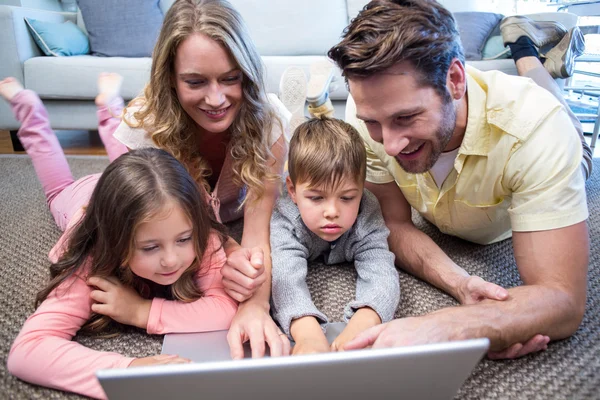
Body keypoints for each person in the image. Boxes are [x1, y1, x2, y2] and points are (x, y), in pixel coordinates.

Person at [324, 0, 589, 359]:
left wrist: (455, 326)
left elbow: (562, 298)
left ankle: (525, 50)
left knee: (565, 119)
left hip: (562, 141)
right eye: (374, 122)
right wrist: (461, 284)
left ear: (455, 80)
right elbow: (392, 224)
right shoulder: (367, 120)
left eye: (405, 118)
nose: (388, 145)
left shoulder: (537, 130)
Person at [1, 78, 237, 399]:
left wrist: (140, 311)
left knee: (129, 162)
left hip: (136, 195)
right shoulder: (91, 257)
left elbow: (225, 308)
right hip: (82, 201)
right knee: (57, 188)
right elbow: (27, 352)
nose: (171, 260)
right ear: (115, 243)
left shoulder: (198, 234)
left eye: (183, 240)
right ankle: (29, 108)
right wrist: (128, 369)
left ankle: (110, 108)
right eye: (150, 247)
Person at [110, 0, 291, 358]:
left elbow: (257, 231)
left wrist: (254, 306)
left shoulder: (268, 123)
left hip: (231, 226)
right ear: (171, 81)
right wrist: (226, 248)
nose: (216, 98)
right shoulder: (138, 129)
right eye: (195, 81)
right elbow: (137, 232)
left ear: (247, 74)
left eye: (230, 78)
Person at [270, 117, 400, 354]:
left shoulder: (366, 211)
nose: (332, 212)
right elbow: (283, 276)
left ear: (362, 189)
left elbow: (382, 270)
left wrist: (363, 324)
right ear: (293, 191)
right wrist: (306, 333)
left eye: (347, 198)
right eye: (316, 198)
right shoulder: (284, 215)